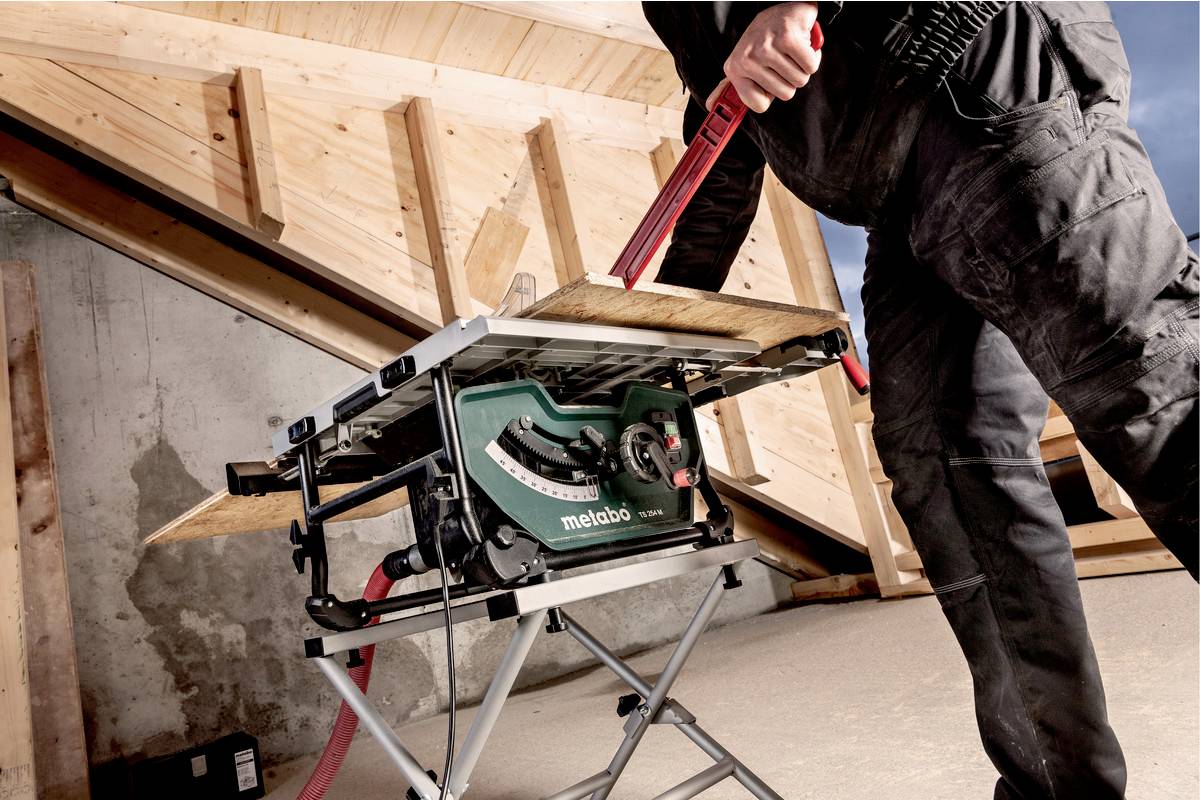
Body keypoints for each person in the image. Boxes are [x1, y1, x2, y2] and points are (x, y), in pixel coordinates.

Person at [643, 2, 1198, 798]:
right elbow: (730, 118)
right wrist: (666, 315)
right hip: (895, 198)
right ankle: (1056, 787)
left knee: (1153, 390)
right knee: (940, 465)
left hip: (975, 75)